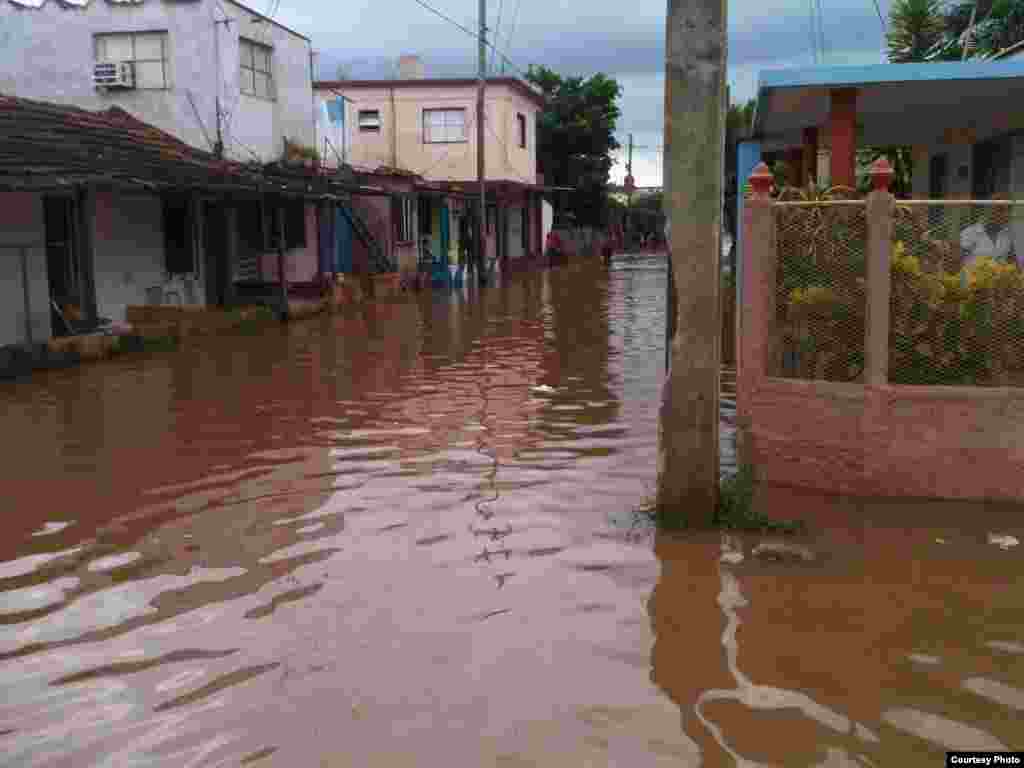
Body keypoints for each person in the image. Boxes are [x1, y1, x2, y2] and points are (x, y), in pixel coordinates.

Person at [960, 195, 1016, 269]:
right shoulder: (969, 233)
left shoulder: (1008, 235)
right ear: (988, 210)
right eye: (1000, 209)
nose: (1005, 214)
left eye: (1008, 211)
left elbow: (1012, 262)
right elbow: (958, 262)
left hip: (1001, 279)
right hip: (974, 279)